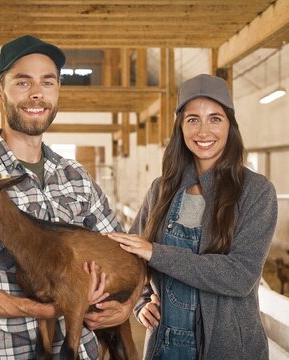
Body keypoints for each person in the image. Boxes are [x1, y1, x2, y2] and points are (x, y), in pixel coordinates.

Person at [0, 35, 133, 359]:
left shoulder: (75, 177)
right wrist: (49, 309)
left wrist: (127, 307)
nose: (37, 93)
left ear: (57, 91)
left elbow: (124, 247)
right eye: (23, 82)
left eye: (47, 82)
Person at [109, 74, 278, 359]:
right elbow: (132, 259)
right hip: (166, 344)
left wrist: (156, 253)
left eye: (215, 118)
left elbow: (239, 276)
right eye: (192, 119)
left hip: (228, 348)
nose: (203, 131)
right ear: (180, 127)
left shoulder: (256, 192)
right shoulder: (161, 190)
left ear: (230, 126)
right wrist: (140, 302)